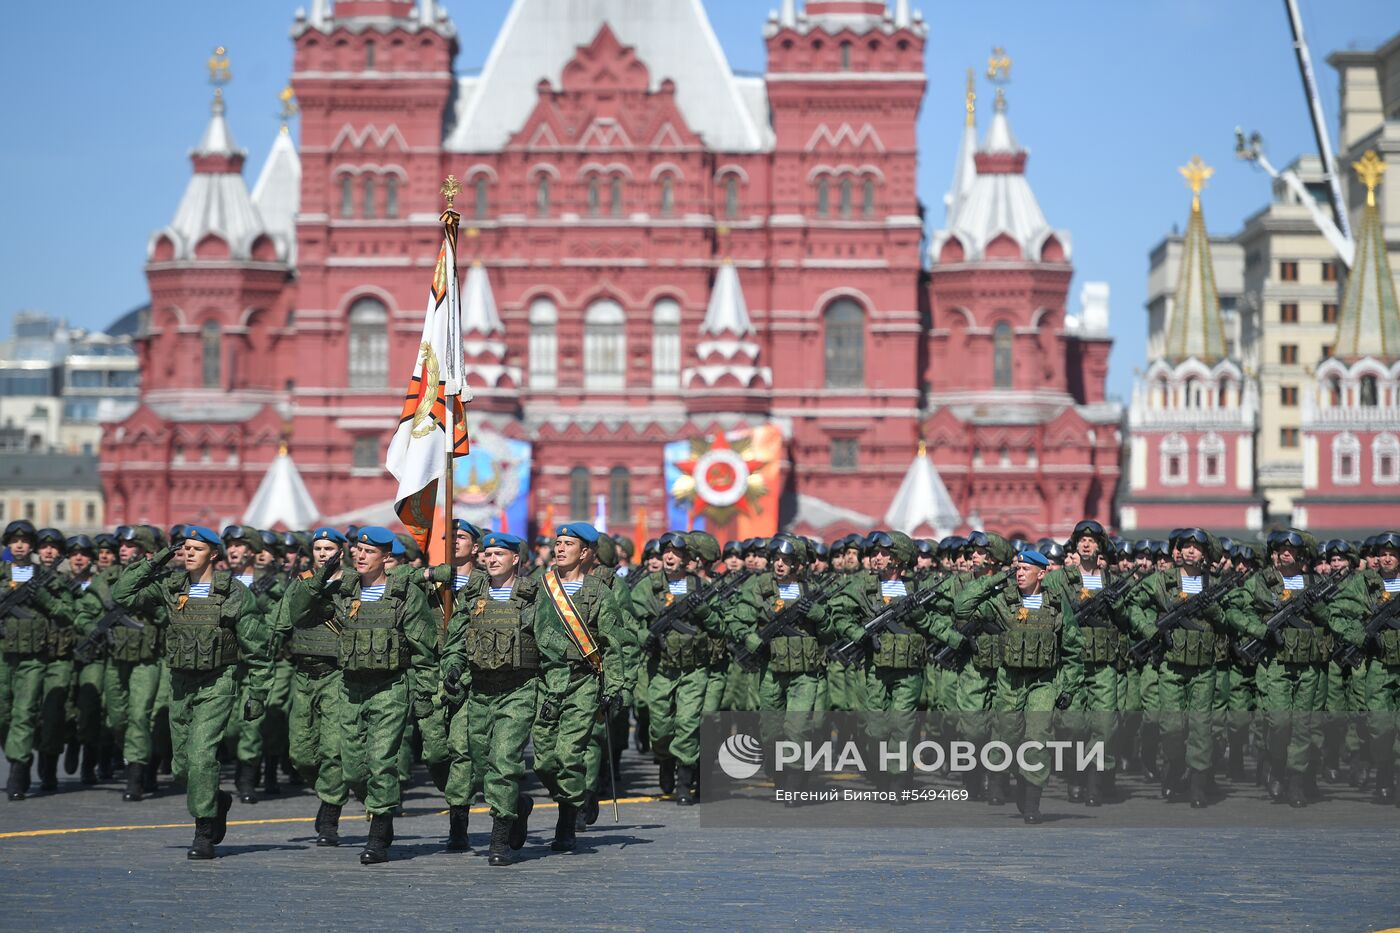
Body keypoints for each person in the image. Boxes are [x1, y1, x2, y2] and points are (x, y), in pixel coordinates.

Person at [112, 526, 273, 858]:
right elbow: (122, 595)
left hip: (218, 682)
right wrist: (155, 560)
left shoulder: (234, 593)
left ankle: (202, 831)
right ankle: (217, 799)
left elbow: (257, 649)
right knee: (182, 767)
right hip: (181, 683)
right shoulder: (171, 587)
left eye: (195, 549)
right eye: (183, 548)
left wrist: (257, 693)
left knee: (201, 757)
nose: (187, 554)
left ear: (214, 554)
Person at [442, 531, 565, 864]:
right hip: (480, 690)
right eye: (488, 554)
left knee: (504, 762)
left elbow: (552, 649)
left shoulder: (533, 596)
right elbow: (454, 641)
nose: (491, 559)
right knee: (480, 766)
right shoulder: (472, 594)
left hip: (518, 690)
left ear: (515, 559)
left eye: (499, 554)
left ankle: (499, 842)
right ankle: (518, 807)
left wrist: (555, 691)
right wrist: (452, 667)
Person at [1230, 529, 1364, 807]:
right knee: (1279, 723)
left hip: (1310, 665)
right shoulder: (1261, 583)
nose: (1284, 553)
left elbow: (1339, 615)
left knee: (1303, 726)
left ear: (1303, 555)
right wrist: (1259, 629)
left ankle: (1296, 780)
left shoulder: (1316, 583)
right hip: (1276, 663)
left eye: (1290, 549)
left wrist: (1319, 611)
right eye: (1279, 549)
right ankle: (1276, 764)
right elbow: (1234, 609)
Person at [956, 547, 1083, 823]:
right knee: (1009, 740)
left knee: (1037, 739)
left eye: (1026, 569)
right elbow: (962, 606)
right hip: (1010, 683)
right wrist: (993, 580)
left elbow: (1073, 649)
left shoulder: (1056, 603)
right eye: (1018, 568)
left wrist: (1069, 688)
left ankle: (1032, 800)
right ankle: (1020, 780)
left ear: (1042, 572)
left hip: (1043, 682)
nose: (1020, 573)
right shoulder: (1003, 601)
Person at [531, 523, 625, 851]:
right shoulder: (539, 585)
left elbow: (615, 643)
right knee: (543, 760)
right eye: (557, 543)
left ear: (584, 553)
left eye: (568, 544)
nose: (559, 549)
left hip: (582, 681)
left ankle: (567, 820)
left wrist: (614, 687)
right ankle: (571, 796)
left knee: (568, 754)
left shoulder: (599, 592)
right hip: (545, 683)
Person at [272, 527, 349, 846]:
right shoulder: (301, 583)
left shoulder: (352, 585)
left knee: (333, 749)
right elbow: (285, 619)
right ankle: (327, 792)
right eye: (317, 548)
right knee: (301, 753)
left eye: (328, 548)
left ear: (340, 552)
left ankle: (330, 812)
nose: (322, 553)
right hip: (303, 674)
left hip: (336, 675)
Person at [631, 531, 713, 803]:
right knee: (660, 727)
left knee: (687, 723)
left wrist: (704, 613)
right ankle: (665, 758)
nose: (668, 556)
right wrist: (646, 636)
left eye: (675, 552)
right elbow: (630, 622)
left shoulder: (699, 587)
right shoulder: (647, 587)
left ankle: (684, 780)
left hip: (693, 669)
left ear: (688, 558)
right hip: (662, 669)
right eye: (665, 551)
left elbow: (721, 626)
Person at [3, 522, 77, 800]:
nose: (19, 545)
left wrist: (43, 598)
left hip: (34, 656)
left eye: (24, 541)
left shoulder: (46, 578)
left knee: (24, 712)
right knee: (3, 714)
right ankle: (17, 753)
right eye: (14, 541)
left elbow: (67, 612)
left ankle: (18, 770)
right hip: (3, 653)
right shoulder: (2, 573)